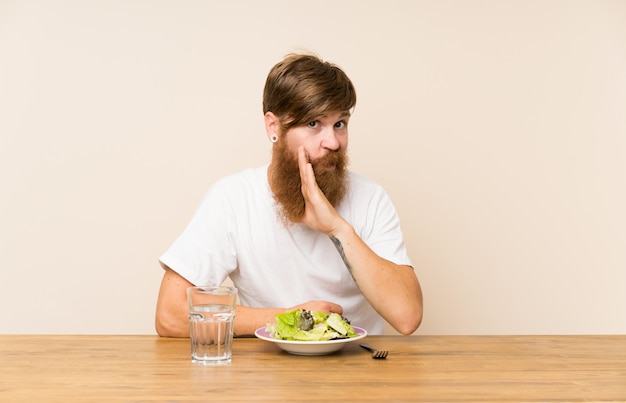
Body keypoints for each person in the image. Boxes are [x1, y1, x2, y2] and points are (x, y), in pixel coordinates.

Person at [155, 53, 423, 337]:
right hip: (265, 373)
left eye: (340, 124)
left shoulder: (371, 198)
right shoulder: (233, 198)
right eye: (313, 124)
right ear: (274, 127)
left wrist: (337, 228)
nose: (333, 142)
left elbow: (407, 316)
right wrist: (293, 318)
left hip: (358, 371)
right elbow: (170, 315)